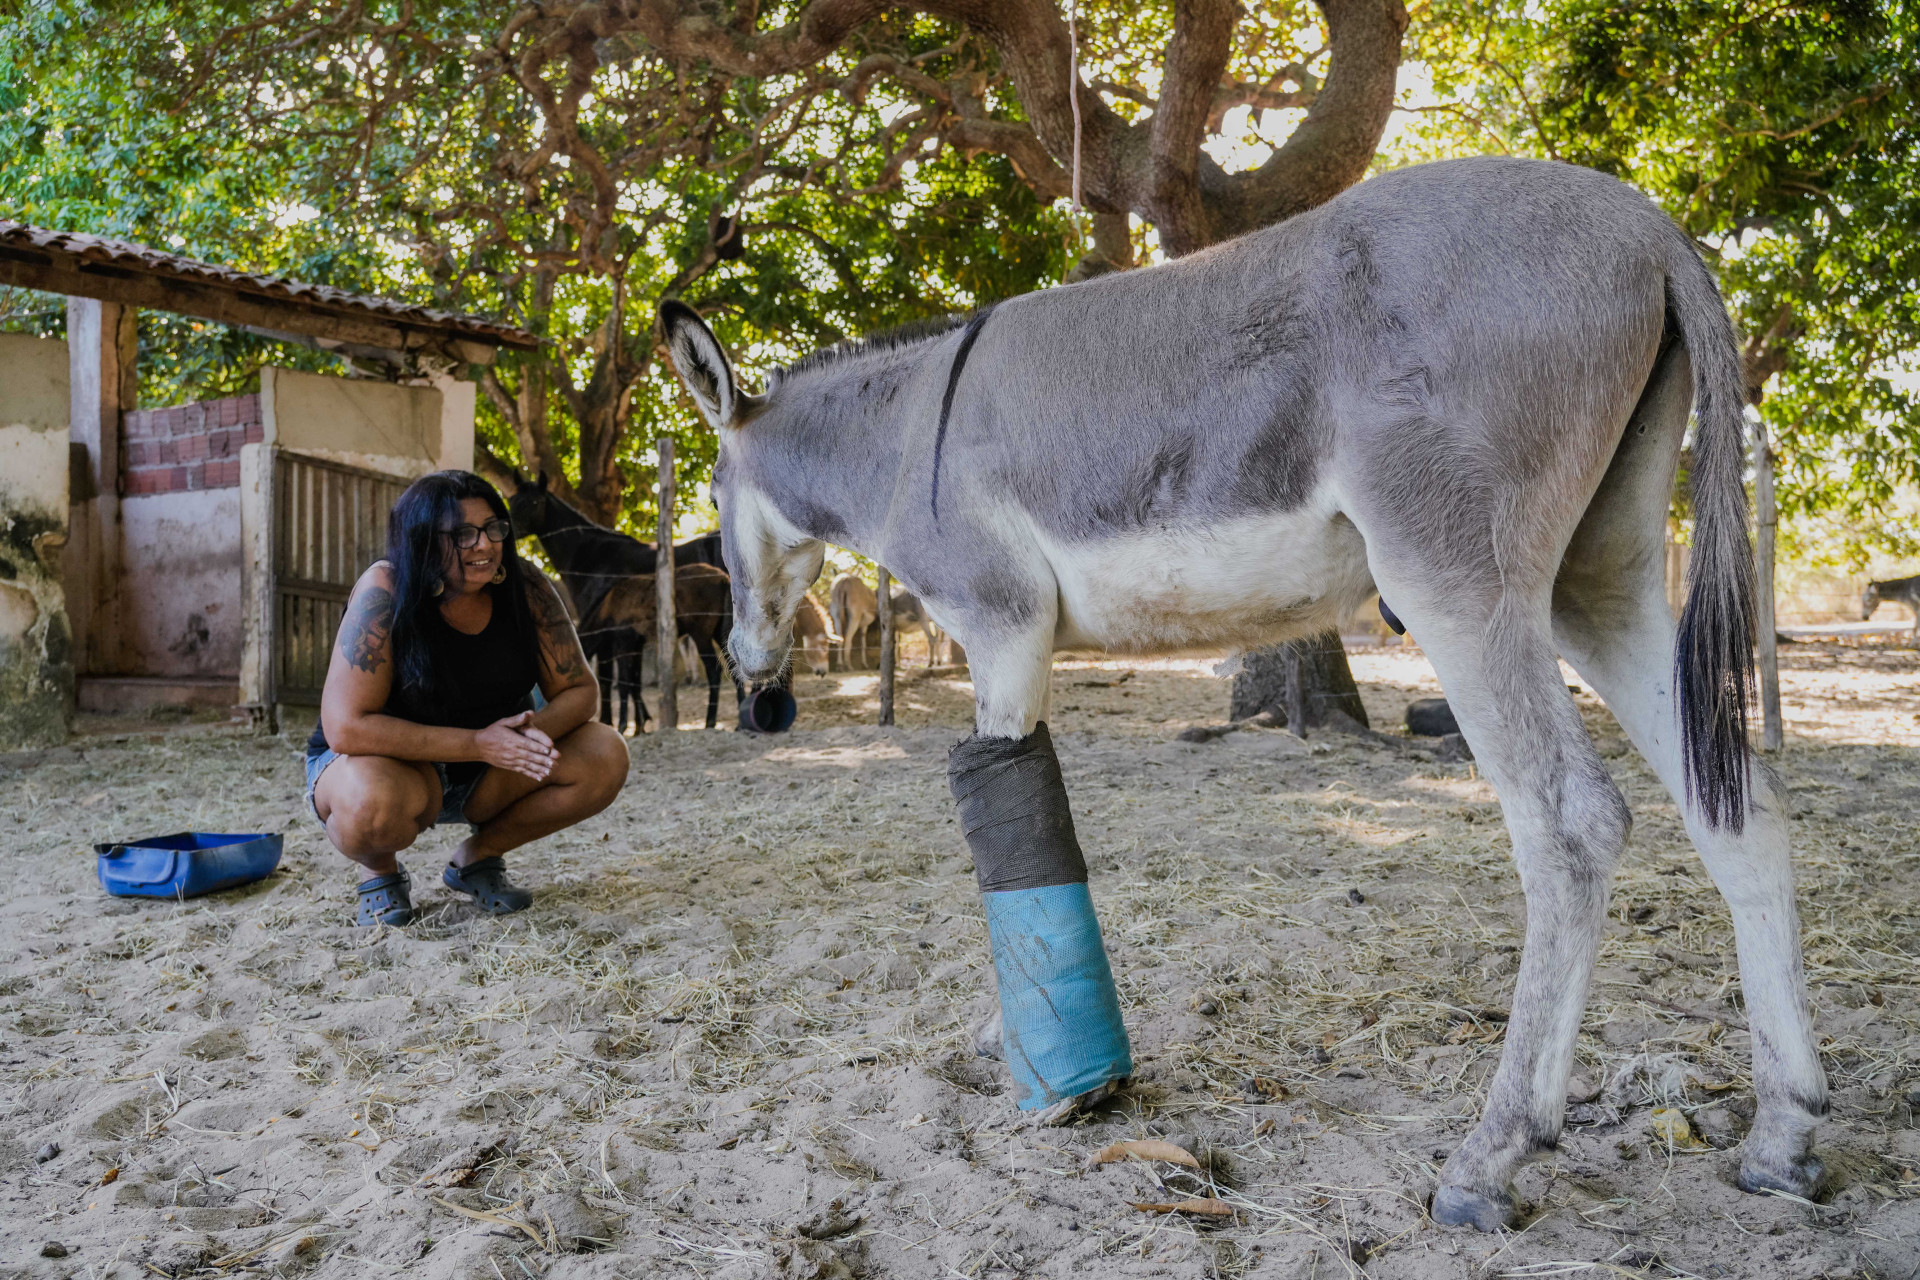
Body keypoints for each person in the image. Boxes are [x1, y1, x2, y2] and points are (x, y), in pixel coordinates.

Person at [305, 470, 629, 925]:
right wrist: (479, 742)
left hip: (489, 770)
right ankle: (379, 870)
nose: (484, 544)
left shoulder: (527, 587)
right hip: (385, 766)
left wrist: (518, 740)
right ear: (422, 539)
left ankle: (477, 858)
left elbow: (579, 691)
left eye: (494, 527)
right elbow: (347, 727)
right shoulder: (386, 588)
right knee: (368, 801)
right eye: (463, 534)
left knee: (605, 753)